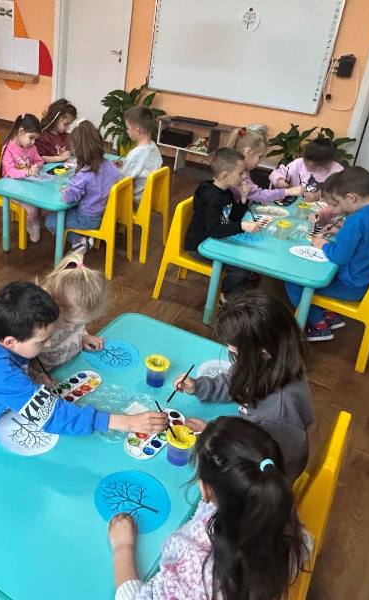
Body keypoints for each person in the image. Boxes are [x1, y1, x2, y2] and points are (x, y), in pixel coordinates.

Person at [108, 416, 310, 600]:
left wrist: (122, 547)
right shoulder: (281, 513)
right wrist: (218, 450)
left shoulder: (193, 563)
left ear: (204, 490)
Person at [0, 281, 167, 448]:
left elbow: (14, 367)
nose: (49, 344)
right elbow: (54, 416)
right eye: (42, 341)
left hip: (2, 420)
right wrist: (126, 423)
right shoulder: (1, 375)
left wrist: (32, 375)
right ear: (11, 342)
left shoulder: (0, 331)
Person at [171, 290, 313, 482]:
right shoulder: (267, 362)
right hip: (251, 440)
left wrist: (216, 438)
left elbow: (255, 462)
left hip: (268, 476)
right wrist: (199, 387)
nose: (232, 355)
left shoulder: (278, 414)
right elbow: (237, 381)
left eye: (236, 352)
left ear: (263, 352)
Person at [287, 167, 369, 341]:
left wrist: (323, 244)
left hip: (352, 285)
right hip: (366, 277)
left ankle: (318, 325)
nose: (336, 208)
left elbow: (339, 256)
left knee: (295, 283)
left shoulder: (356, 220)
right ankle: (331, 315)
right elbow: (368, 239)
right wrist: (342, 233)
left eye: (338, 203)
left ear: (351, 198)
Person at [184, 148, 265, 296]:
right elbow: (214, 230)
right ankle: (225, 297)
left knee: (248, 259)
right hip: (199, 247)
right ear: (225, 175)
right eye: (240, 173)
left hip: (214, 240)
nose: (244, 177)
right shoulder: (211, 198)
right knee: (241, 267)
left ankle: (239, 288)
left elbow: (233, 218)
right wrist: (242, 226)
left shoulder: (225, 190)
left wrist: (243, 199)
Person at [45, 120, 121, 253]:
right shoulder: (110, 166)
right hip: (105, 213)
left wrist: (65, 190)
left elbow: (69, 198)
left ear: (79, 150)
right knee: (64, 214)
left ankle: (79, 241)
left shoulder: (85, 174)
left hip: (87, 218)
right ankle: (84, 237)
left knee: (50, 221)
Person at [33, 251, 108, 378]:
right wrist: (35, 375)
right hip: (49, 374)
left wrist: (84, 336)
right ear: (52, 305)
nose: (72, 327)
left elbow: (78, 329)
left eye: (79, 323)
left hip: (73, 366)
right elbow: (22, 359)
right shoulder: (37, 325)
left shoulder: (74, 311)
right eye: (68, 321)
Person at [227, 126, 302, 204]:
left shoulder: (239, 169)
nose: (259, 161)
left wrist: (255, 199)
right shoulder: (237, 174)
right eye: (259, 157)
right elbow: (257, 194)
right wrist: (288, 191)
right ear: (248, 153)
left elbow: (250, 194)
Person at [0, 113, 44, 242]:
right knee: (33, 209)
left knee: (43, 204)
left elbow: (39, 161)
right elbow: (10, 172)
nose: (33, 142)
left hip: (27, 186)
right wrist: (27, 172)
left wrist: (36, 166)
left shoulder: (32, 147)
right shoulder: (8, 149)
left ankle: (34, 221)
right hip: (10, 188)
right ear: (20, 132)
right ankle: (33, 224)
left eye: (35, 139)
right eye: (31, 138)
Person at [269, 136, 344, 202]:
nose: (308, 166)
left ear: (328, 162)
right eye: (306, 162)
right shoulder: (298, 163)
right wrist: (280, 180)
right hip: (291, 204)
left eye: (315, 166)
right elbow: (277, 173)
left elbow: (341, 196)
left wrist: (318, 196)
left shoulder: (337, 171)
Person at [117, 106, 162, 206]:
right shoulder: (153, 147)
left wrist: (113, 170)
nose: (127, 131)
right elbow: (139, 167)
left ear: (137, 131)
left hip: (134, 200)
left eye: (128, 128)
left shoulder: (136, 154)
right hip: (148, 196)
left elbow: (122, 181)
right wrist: (124, 164)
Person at [35, 99, 77, 163]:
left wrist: (69, 151)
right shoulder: (42, 137)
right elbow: (39, 158)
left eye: (69, 124)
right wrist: (60, 158)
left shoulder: (66, 136)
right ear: (56, 118)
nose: (68, 127)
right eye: (66, 124)